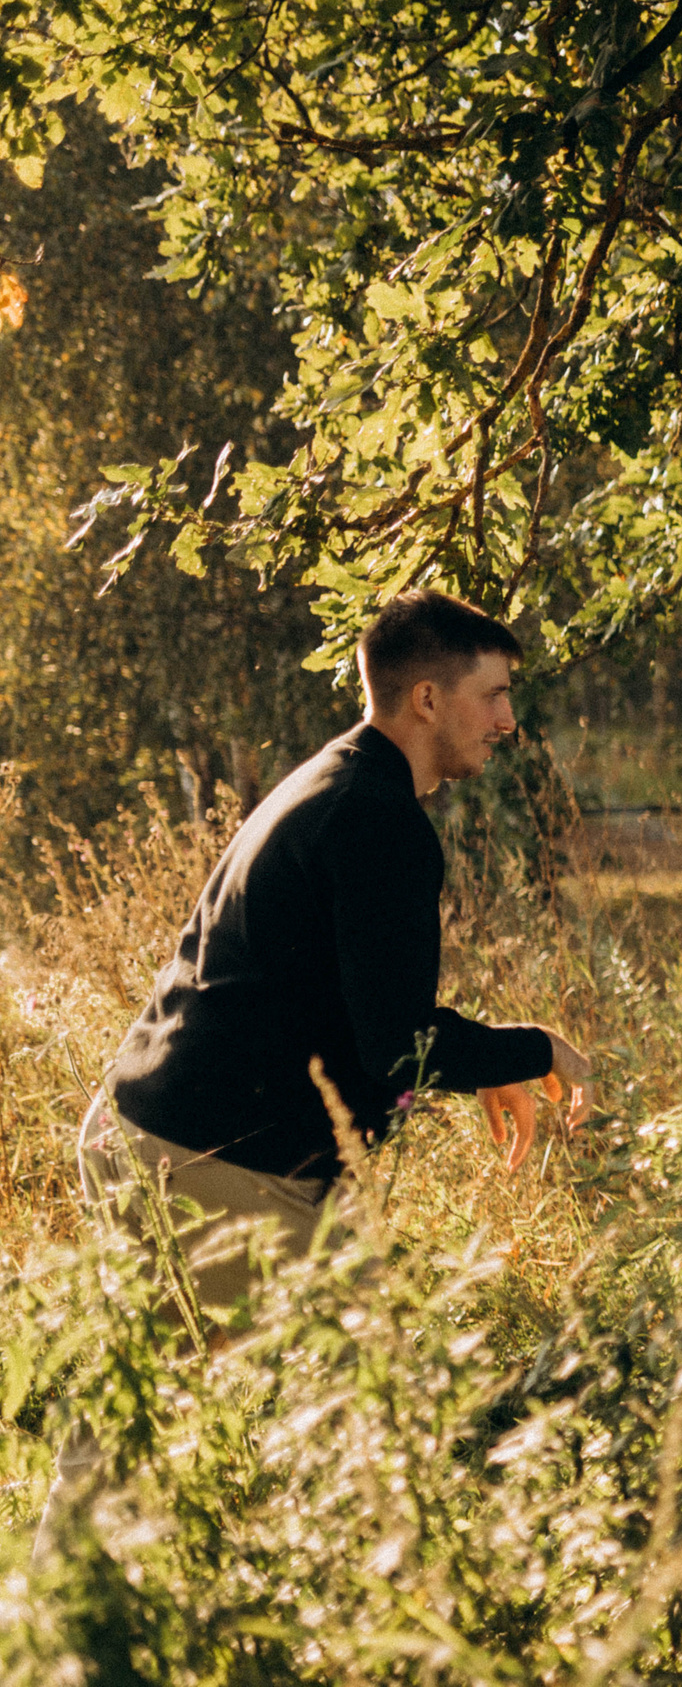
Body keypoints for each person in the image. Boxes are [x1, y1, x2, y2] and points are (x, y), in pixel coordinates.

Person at [33, 590, 593, 1561]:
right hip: (215, 1163)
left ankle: (57, 1629)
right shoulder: (380, 823)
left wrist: (461, 1061)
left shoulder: (331, 784)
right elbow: (396, 1049)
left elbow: (365, 1022)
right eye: (494, 695)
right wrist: (532, 1049)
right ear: (427, 698)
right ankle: (377, 1624)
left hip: (136, 1134)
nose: (508, 720)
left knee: (122, 1429)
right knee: (388, 1397)